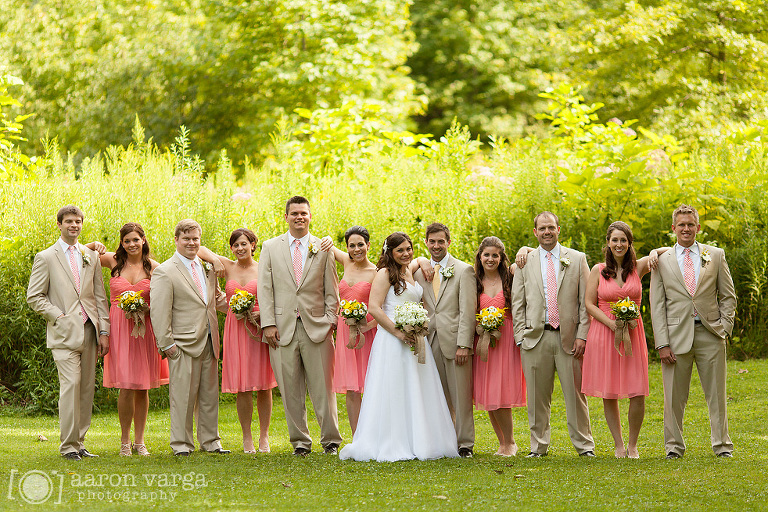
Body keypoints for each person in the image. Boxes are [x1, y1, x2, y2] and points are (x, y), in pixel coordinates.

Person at [339, 232, 459, 461]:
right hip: (392, 341)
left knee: (418, 387)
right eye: (400, 250)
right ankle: (393, 440)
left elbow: (417, 262)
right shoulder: (384, 273)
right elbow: (374, 307)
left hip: (415, 338)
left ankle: (422, 439)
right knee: (394, 389)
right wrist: (397, 331)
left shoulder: (409, 270)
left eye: (408, 249)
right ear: (390, 253)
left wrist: (423, 260)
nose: (406, 254)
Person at [650, 204, 737, 459]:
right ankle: (674, 447)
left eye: (691, 224)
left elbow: (728, 296)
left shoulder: (716, 255)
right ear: (673, 228)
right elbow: (657, 305)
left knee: (717, 395)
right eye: (681, 225)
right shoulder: (661, 261)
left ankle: (722, 446)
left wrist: (724, 328)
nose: (686, 229)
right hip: (675, 338)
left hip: (711, 333)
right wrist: (662, 343)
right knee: (673, 398)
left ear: (698, 227)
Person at [257, 196, 342, 456]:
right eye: (294, 213)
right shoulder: (270, 247)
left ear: (310, 216)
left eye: (304, 213)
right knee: (289, 389)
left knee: (323, 388)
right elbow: (265, 288)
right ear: (286, 217)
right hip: (281, 328)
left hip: (317, 326)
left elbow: (332, 288)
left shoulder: (323, 247)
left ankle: (330, 440)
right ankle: (301, 443)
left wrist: (330, 320)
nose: (299, 217)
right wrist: (268, 324)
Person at [27, 205, 110, 460]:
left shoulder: (90, 255)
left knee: (86, 388)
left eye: (78, 221)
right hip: (63, 332)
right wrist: (58, 316)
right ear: (59, 224)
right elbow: (35, 297)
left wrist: (104, 330)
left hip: (90, 330)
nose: (74, 225)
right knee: (71, 385)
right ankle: (67, 446)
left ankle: (80, 442)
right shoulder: (46, 257)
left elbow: (99, 295)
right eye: (69, 221)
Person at [511, 211, 595, 457]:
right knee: (536, 397)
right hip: (535, 338)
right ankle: (538, 447)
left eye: (551, 227)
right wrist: (520, 336)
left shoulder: (577, 259)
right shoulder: (525, 261)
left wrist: (583, 335)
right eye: (542, 228)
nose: (547, 232)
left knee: (576, 395)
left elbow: (585, 302)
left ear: (559, 229)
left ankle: (584, 446)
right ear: (535, 232)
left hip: (569, 338)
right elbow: (518, 303)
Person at [581, 221, 667, 459]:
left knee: (637, 390)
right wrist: (610, 324)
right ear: (608, 243)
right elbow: (589, 304)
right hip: (604, 333)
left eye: (623, 240)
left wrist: (652, 253)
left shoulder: (638, 268)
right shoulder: (598, 270)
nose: (619, 244)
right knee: (609, 391)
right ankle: (618, 445)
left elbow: (670, 250)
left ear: (630, 244)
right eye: (615, 240)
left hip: (633, 333)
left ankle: (633, 445)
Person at [87, 223, 168, 456]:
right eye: (127, 241)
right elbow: (75, 251)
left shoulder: (155, 267)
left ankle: (140, 441)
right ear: (121, 243)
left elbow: (165, 297)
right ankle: (124, 441)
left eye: (135, 239)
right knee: (124, 386)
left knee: (142, 387)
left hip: (145, 329)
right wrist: (92, 245)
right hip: (120, 328)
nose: (131, 244)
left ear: (143, 240)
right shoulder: (113, 261)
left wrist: (147, 307)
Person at [150, 219, 229, 456]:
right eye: (186, 239)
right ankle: (181, 444)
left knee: (208, 395)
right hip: (181, 343)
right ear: (176, 240)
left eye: (195, 238)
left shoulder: (206, 267)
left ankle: (211, 441)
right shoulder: (165, 271)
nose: (191, 243)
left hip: (209, 339)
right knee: (182, 396)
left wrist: (243, 306)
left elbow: (214, 300)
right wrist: (167, 344)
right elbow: (159, 310)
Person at [197, 228, 277, 454]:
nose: (240, 248)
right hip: (236, 330)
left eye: (245, 244)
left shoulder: (263, 268)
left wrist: (264, 313)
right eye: (236, 245)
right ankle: (247, 438)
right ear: (231, 248)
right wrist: (215, 260)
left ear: (253, 244)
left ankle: (264, 437)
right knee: (242, 386)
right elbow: (201, 249)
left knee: (263, 385)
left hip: (258, 329)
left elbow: (275, 295)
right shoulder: (228, 267)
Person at [412, 223, 477, 458]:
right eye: (432, 241)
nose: (436, 246)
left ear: (449, 242)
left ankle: (465, 444)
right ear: (426, 243)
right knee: (434, 394)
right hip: (427, 342)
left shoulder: (463, 270)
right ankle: (441, 441)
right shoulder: (419, 272)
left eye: (441, 241)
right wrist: (420, 260)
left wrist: (464, 345)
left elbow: (468, 312)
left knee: (460, 394)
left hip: (454, 340)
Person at [321, 226, 378, 434]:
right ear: (347, 248)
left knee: (372, 384)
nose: (356, 249)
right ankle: (357, 437)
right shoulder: (346, 262)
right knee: (352, 390)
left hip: (368, 332)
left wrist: (367, 325)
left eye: (360, 245)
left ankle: (374, 433)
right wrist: (327, 236)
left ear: (368, 245)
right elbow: (327, 245)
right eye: (352, 246)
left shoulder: (377, 272)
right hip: (346, 331)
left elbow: (381, 307)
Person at [473, 237, 526, 457]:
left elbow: (537, 255)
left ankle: (510, 442)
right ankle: (502, 442)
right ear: (480, 256)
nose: (490, 259)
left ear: (502, 257)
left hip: (506, 340)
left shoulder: (511, 276)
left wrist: (523, 248)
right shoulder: (474, 279)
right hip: (484, 340)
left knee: (501, 391)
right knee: (489, 393)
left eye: (495, 255)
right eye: (486, 255)